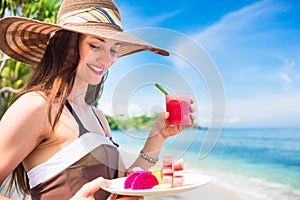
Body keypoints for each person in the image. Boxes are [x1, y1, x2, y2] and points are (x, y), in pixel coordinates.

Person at [0, 0, 194, 199]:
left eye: (113, 49)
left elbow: (121, 187)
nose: (108, 59)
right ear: (65, 45)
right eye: (95, 45)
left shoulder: (99, 117)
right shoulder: (37, 106)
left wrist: (157, 137)